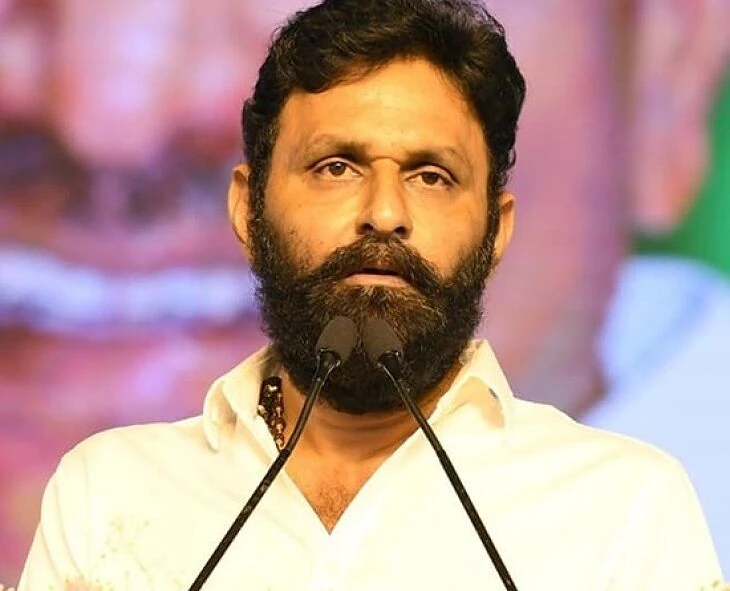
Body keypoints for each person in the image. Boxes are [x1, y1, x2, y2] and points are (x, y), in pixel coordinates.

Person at [16, 0, 724, 589]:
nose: (110, 117)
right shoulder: (101, 488)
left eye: (428, 176)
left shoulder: (638, 510)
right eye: (333, 168)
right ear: (247, 209)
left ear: (669, 63)